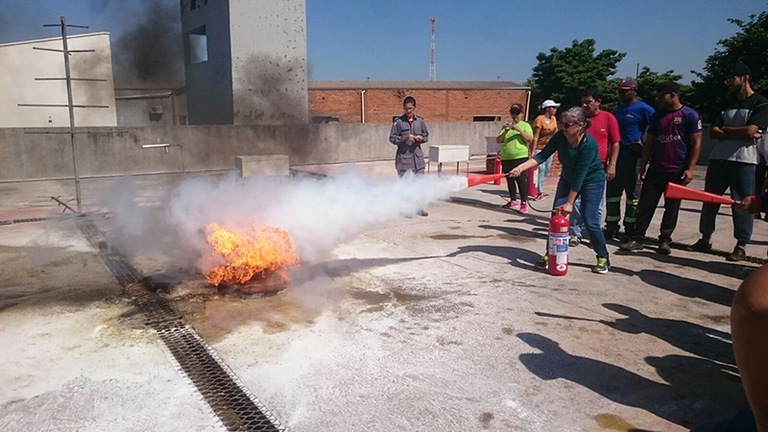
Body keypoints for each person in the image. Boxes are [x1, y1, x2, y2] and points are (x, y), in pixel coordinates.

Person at [509, 106, 610, 274]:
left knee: (590, 220)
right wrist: (521, 167)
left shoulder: (588, 145)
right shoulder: (560, 137)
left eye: (567, 125)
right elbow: (542, 156)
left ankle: (603, 256)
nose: (563, 128)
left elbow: (580, 175)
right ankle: (551, 253)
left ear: (580, 125)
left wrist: (570, 202)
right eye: (562, 124)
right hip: (568, 178)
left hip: (591, 181)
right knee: (556, 216)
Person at [690, 63, 768, 261]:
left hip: (745, 160)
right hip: (719, 158)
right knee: (710, 199)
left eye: (731, 78)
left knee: (742, 202)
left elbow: (750, 131)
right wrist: (740, 132)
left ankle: (741, 245)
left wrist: (727, 130)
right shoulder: (725, 103)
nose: (728, 83)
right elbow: (713, 132)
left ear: (745, 78)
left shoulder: (760, 103)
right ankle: (705, 238)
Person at [619, 81, 702, 255]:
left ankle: (664, 240)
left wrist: (690, 168)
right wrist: (643, 165)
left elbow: (696, 143)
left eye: (661, 96)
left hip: (678, 169)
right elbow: (649, 142)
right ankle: (638, 238)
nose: (658, 100)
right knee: (645, 205)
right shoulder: (657, 116)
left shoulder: (690, 115)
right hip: (657, 168)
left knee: (672, 208)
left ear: (672, 95)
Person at [569, 88, 620, 247]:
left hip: (597, 169)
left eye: (588, 102)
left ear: (598, 102)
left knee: (595, 204)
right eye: (583, 102)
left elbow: (615, 143)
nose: (584, 105)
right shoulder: (578, 119)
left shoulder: (608, 118)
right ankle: (575, 233)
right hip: (578, 167)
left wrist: (612, 165)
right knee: (576, 203)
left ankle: (593, 235)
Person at [606, 77, 655, 241]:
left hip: (634, 160)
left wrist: (643, 143)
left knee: (633, 197)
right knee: (612, 195)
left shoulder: (644, 109)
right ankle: (611, 227)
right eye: (619, 91)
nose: (620, 94)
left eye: (624, 91)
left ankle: (630, 230)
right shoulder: (618, 109)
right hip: (617, 159)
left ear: (634, 91)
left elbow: (656, 129)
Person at [389, 95, 430, 216]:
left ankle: (419, 207)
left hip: (417, 159)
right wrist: (405, 138)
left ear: (414, 108)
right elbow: (392, 138)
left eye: (410, 108)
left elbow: (426, 136)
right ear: (403, 108)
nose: (408, 111)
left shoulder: (420, 121)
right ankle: (405, 209)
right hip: (404, 159)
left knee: (419, 184)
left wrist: (421, 138)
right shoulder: (398, 122)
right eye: (406, 109)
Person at [497, 103, 534, 214]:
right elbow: (498, 140)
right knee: (510, 179)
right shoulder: (505, 126)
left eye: (517, 114)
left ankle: (523, 202)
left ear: (521, 114)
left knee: (521, 180)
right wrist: (506, 131)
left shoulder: (525, 125)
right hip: (507, 157)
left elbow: (529, 139)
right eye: (512, 113)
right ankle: (513, 200)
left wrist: (518, 130)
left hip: (520, 157)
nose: (514, 116)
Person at [532, 99, 561, 200]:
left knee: (546, 169)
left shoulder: (553, 119)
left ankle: (540, 187)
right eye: (553, 107)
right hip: (539, 148)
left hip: (549, 148)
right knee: (541, 169)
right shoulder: (539, 120)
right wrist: (533, 150)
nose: (555, 109)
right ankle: (540, 191)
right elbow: (535, 136)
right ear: (547, 108)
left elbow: (556, 133)